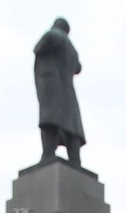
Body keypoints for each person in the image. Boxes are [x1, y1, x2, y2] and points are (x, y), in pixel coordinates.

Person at [34, 17, 85, 166]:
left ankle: (48, 153)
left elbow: (39, 46)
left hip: (52, 88)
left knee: (50, 120)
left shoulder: (55, 34)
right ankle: (75, 158)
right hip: (68, 92)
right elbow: (78, 67)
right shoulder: (73, 49)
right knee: (72, 125)